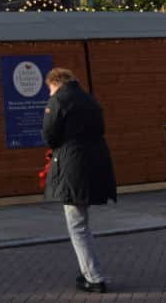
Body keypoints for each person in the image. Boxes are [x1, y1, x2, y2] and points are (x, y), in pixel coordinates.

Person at [42, 67, 116, 294]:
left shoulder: (58, 100)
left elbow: (49, 135)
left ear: (55, 83)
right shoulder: (90, 99)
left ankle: (94, 277)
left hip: (72, 167)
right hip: (96, 162)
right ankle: (89, 272)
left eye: (49, 89)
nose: (49, 93)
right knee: (82, 223)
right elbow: (101, 128)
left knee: (77, 225)